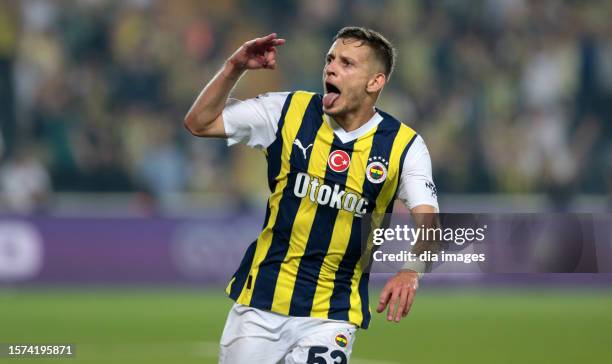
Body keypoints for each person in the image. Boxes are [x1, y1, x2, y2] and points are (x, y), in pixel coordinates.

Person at [185, 26, 439, 364]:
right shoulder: (287, 112)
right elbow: (199, 123)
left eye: (347, 63)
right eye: (330, 59)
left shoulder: (403, 146)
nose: (331, 67)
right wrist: (235, 67)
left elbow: (430, 223)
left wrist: (411, 271)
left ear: (375, 82)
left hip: (332, 313)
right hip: (261, 304)